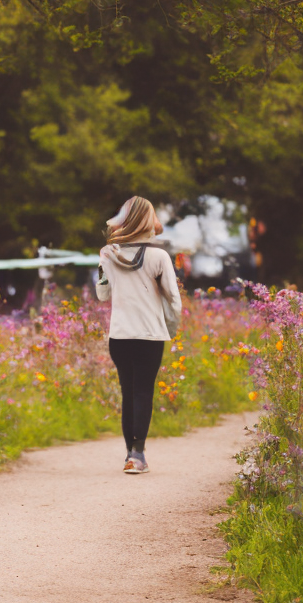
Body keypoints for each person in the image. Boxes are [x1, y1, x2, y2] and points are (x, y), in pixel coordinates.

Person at [93, 196, 182, 474]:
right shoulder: (159, 256)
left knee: (128, 392)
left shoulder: (107, 253)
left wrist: (105, 272)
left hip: (119, 336)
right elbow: (174, 300)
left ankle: (129, 456)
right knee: (143, 391)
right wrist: (170, 329)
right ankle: (138, 454)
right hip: (150, 336)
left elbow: (102, 294)